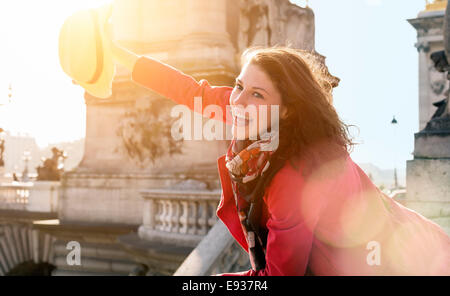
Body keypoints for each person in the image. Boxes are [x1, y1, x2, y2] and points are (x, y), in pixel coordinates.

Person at [105, 31, 449, 276]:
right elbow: (189, 90)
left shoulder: (295, 178)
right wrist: (118, 55)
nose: (237, 100)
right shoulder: (253, 115)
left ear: (285, 111)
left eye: (256, 94)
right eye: (239, 85)